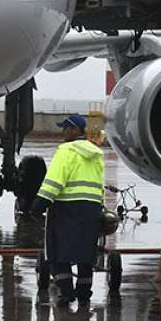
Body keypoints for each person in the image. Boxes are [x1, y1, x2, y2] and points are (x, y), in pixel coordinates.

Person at [30, 114, 105, 307]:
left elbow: (54, 181)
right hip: (91, 209)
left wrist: (39, 204)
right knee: (85, 254)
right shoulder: (95, 154)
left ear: (74, 130)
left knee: (57, 252)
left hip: (67, 208)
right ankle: (84, 292)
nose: (63, 132)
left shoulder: (66, 151)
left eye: (65, 128)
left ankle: (66, 292)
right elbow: (99, 185)